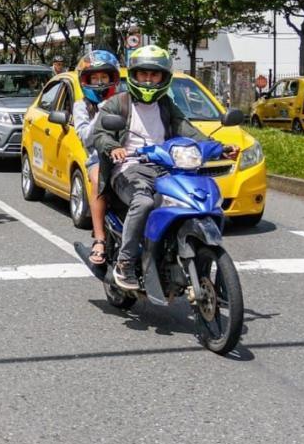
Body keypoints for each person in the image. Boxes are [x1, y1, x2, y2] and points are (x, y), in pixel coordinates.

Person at [91, 45, 239, 291]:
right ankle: (125, 263)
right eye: (143, 74)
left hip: (166, 168)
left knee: (193, 200)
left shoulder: (166, 105)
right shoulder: (118, 103)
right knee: (144, 202)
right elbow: (101, 133)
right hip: (128, 168)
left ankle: (191, 258)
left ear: (163, 78)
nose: (148, 80)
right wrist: (113, 147)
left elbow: (187, 129)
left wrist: (218, 147)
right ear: (135, 76)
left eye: (154, 75)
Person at [72, 50, 121, 265]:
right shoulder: (82, 106)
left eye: (104, 78)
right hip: (98, 157)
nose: (100, 83)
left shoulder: (124, 101)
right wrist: (102, 111)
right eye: (95, 79)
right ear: (86, 81)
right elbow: (85, 138)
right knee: (97, 177)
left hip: (128, 155)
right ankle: (99, 238)